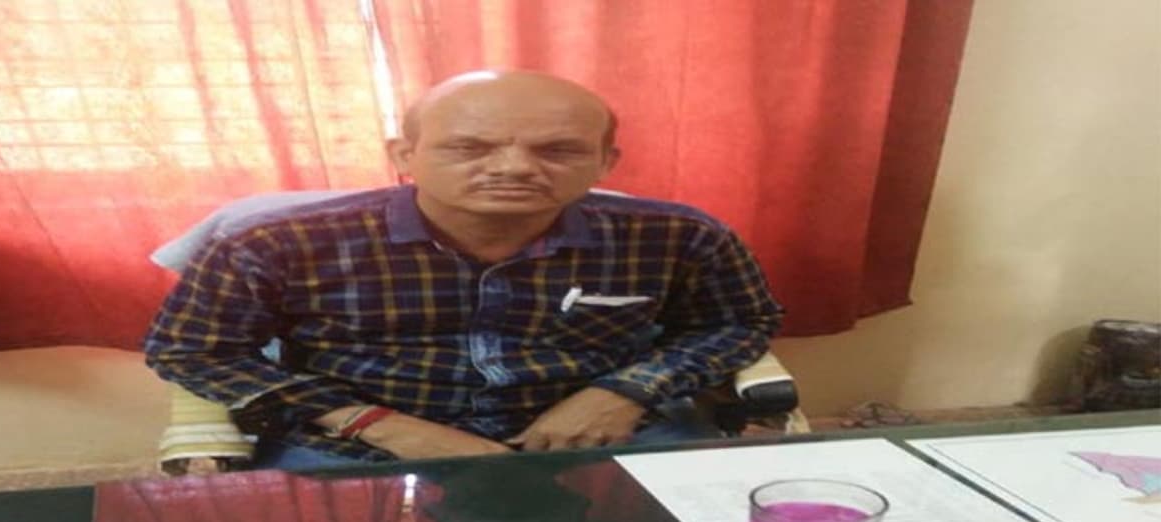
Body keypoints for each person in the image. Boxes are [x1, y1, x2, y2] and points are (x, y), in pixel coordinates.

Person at [144, 70, 783, 470]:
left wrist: (625, 391)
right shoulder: (275, 242)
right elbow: (192, 350)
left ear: (606, 162)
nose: (514, 168)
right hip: (354, 445)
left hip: (609, 435)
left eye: (558, 150)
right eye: (469, 147)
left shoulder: (679, 236)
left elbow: (739, 321)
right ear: (405, 155)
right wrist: (378, 425)